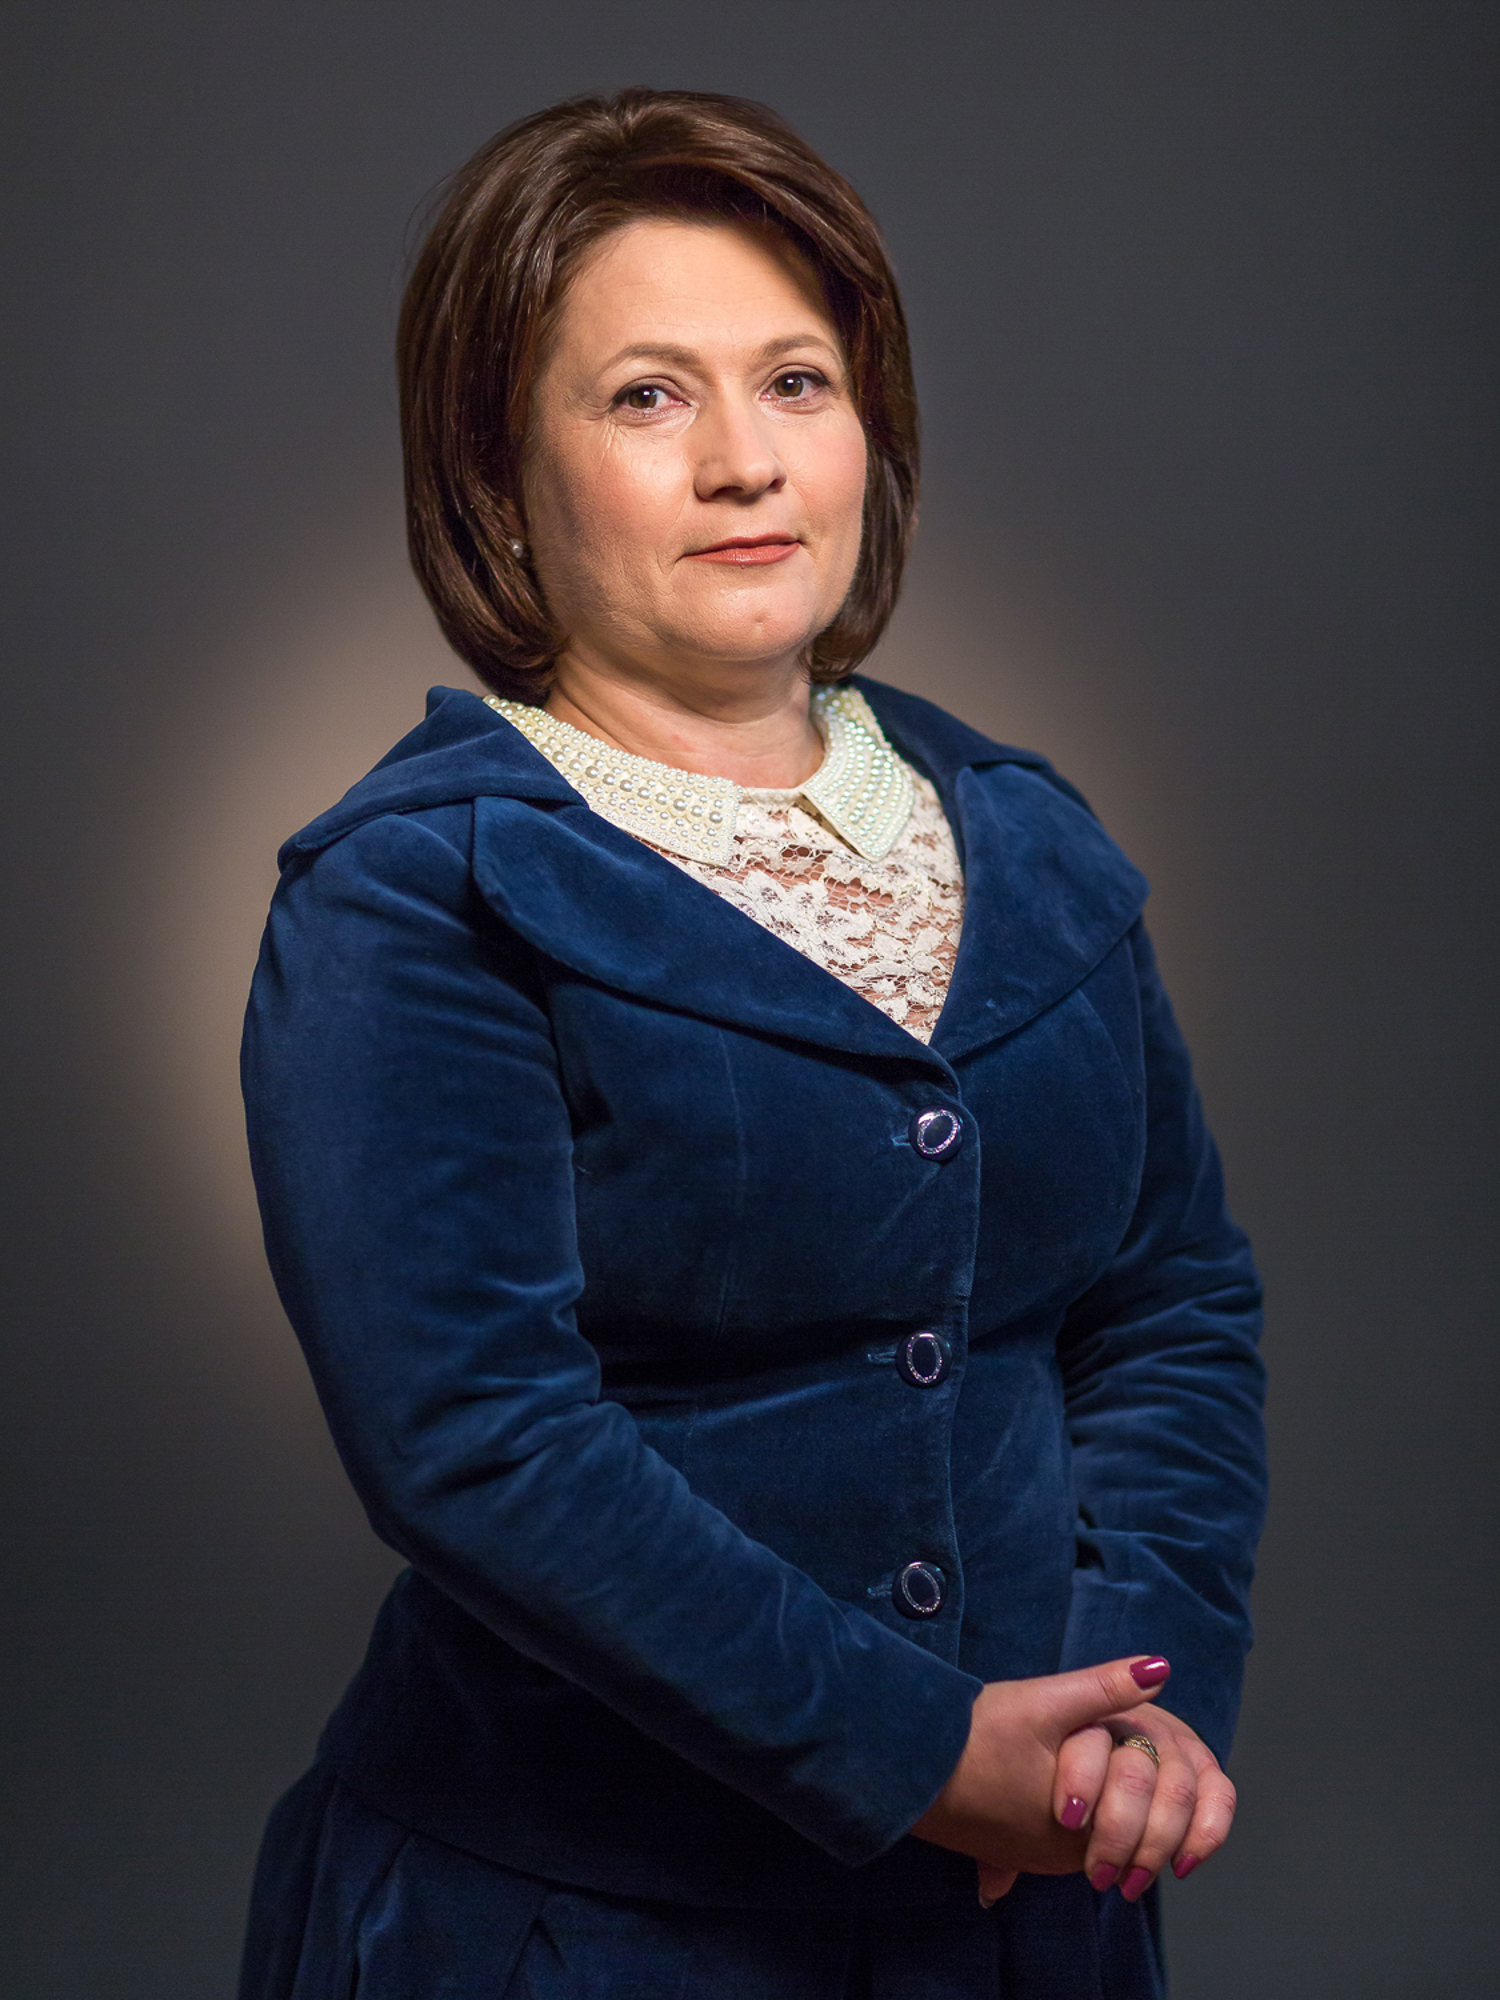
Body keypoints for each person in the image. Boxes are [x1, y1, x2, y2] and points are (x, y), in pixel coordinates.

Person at [237, 88, 1266, 2000]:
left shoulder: (1031, 838)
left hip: (1033, 1914)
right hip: (580, 1931)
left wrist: (1137, 1707)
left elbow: (1170, 1301)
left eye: (797, 382)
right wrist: (924, 1757)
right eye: (647, 397)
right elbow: (479, 1440)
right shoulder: (414, 892)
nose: (744, 463)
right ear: (497, 471)